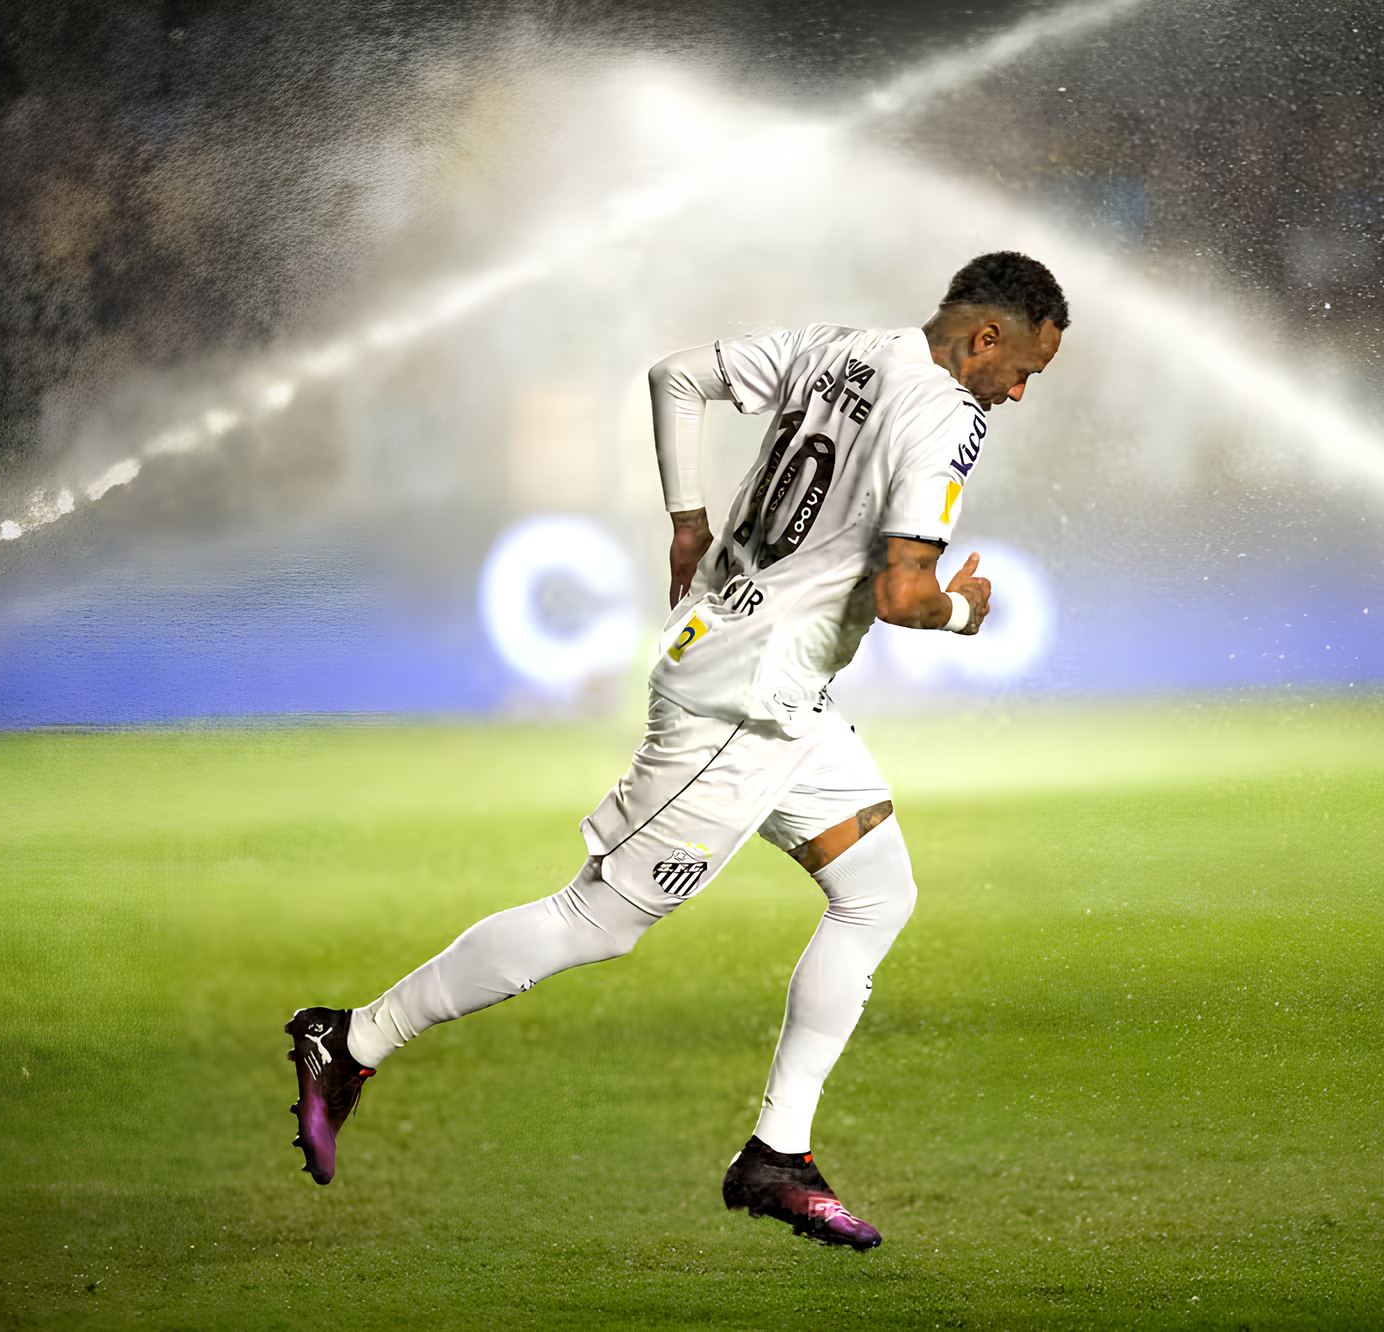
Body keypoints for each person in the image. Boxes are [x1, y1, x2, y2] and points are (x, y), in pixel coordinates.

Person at [285, 251, 1068, 1250]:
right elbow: (904, 594)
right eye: (1023, 372)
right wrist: (966, 612)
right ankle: (349, 1039)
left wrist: (687, 524)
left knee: (876, 892)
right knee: (596, 921)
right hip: (740, 703)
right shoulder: (946, 418)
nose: (1015, 394)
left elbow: (675, 377)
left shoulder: (837, 346)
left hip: (781, 694)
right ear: (986, 337)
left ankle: (776, 1156)